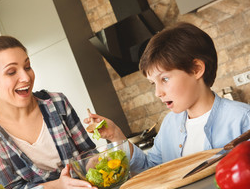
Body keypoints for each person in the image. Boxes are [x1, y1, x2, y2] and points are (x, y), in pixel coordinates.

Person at [85, 22, 250, 174]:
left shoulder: (242, 119)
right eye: (153, 83)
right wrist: (116, 136)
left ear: (196, 69)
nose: (158, 93)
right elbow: (152, 171)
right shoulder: (170, 124)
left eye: (164, 79)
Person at [0, 35, 99, 189]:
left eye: (27, 66)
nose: (26, 77)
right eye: (11, 72)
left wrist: (103, 153)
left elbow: (88, 155)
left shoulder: (57, 102)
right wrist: (57, 188)